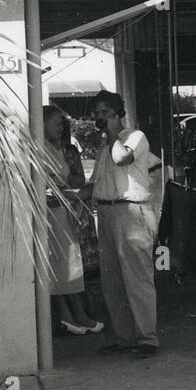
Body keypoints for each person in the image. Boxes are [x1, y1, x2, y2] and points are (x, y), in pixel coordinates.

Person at [88, 91, 160, 359]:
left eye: (105, 112)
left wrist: (112, 134)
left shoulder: (134, 138)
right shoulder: (103, 148)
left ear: (118, 114)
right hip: (106, 214)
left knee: (137, 279)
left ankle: (147, 339)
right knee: (112, 281)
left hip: (131, 211)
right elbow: (94, 184)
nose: (99, 118)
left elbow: (122, 159)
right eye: (96, 113)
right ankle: (125, 337)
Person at [42, 106, 104, 337]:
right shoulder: (39, 149)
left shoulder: (57, 149)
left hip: (62, 209)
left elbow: (71, 178)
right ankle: (71, 315)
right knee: (62, 266)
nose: (61, 129)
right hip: (51, 211)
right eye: (57, 124)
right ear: (43, 123)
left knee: (70, 265)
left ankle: (76, 315)